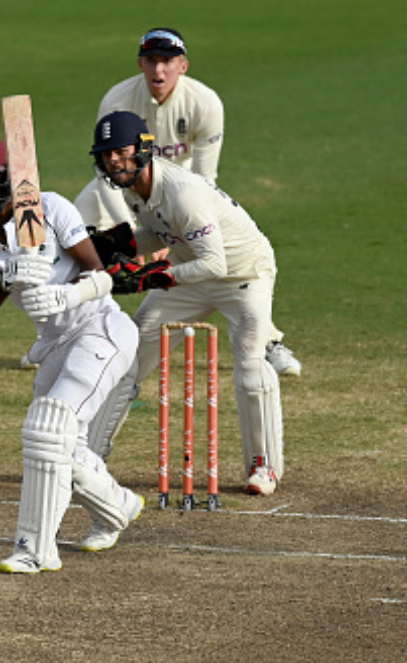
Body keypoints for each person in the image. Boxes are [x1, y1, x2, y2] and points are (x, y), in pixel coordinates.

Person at [0, 137, 144, 573]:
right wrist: (6, 282)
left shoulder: (50, 207)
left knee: (48, 426)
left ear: (7, 177)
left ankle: (34, 550)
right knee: (59, 442)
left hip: (100, 328)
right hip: (55, 344)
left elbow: (101, 276)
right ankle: (118, 508)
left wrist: (63, 296)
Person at [74, 27, 301, 377]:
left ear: (183, 66)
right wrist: (129, 240)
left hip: (184, 192)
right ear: (140, 63)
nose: (158, 71)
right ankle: (65, 333)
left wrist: (155, 262)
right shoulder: (117, 100)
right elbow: (112, 174)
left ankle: (267, 340)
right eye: (151, 61)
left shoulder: (204, 102)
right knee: (81, 223)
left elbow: (205, 179)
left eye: (167, 61)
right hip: (136, 186)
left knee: (216, 264)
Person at [87, 110, 284, 496]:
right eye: (107, 154)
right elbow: (162, 230)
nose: (114, 161)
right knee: (131, 355)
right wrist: (118, 244)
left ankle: (264, 466)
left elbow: (215, 262)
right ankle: (88, 455)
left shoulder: (183, 191)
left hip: (243, 274)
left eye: (121, 152)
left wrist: (150, 277)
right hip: (189, 274)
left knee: (248, 363)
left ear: (143, 150)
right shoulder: (132, 186)